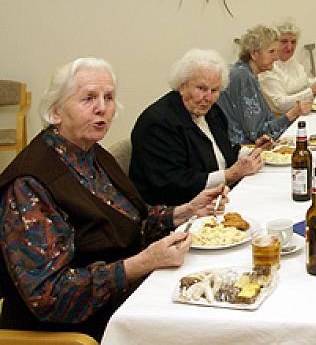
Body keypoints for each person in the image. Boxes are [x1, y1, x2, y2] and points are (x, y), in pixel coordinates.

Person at [0, 58, 228, 341]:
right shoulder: (29, 185)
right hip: (80, 328)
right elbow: (50, 296)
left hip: (125, 298)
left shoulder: (90, 154)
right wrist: (140, 264)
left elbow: (129, 221)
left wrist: (184, 212)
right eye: (88, 98)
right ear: (56, 111)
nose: (102, 108)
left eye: (108, 98)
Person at [130, 49, 271, 206]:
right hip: (180, 211)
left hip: (219, 197)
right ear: (182, 86)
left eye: (215, 90)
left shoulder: (212, 112)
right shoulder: (158, 123)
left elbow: (224, 152)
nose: (208, 97)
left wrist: (253, 151)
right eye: (201, 89)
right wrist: (230, 175)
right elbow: (175, 183)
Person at [218, 24, 311, 144]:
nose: (276, 57)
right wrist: (294, 112)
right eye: (271, 52)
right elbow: (257, 134)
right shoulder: (243, 77)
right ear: (254, 54)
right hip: (243, 150)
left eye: (276, 51)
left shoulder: (245, 72)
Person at [259, 18, 316, 114]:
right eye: (284, 41)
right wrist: (312, 91)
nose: (290, 47)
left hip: (303, 111)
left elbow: (303, 83)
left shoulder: (292, 61)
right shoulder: (268, 67)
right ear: (274, 43)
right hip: (285, 119)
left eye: (293, 42)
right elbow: (280, 104)